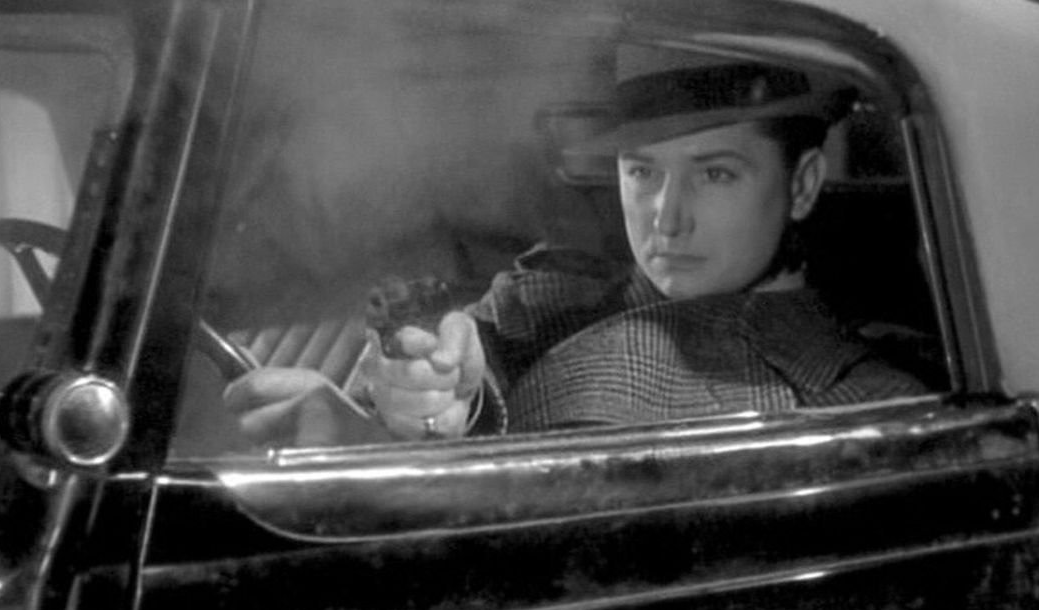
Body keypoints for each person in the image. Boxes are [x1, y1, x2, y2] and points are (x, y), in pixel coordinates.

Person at [223, 47, 926, 446]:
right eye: (641, 173)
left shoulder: (863, 401)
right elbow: (455, 380)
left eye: (715, 174)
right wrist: (429, 406)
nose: (666, 221)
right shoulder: (544, 296)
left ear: (802, 184)